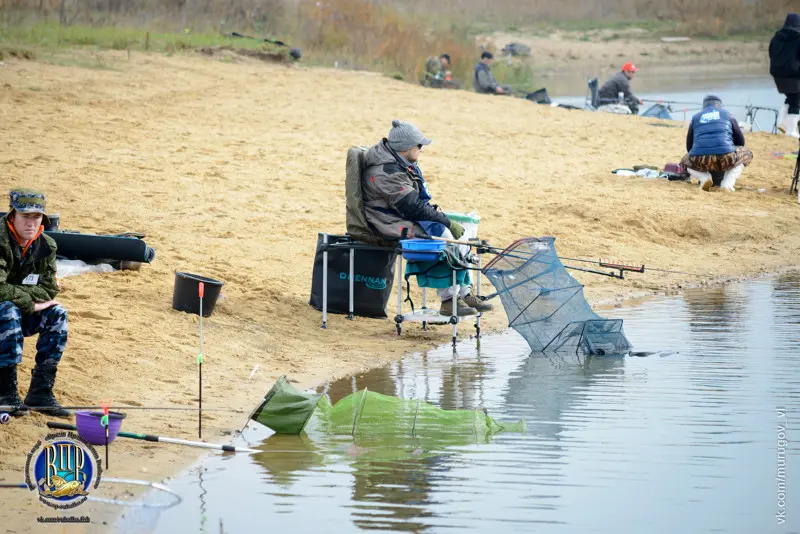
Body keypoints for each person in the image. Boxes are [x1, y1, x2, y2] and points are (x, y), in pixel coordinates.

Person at [361, 120, 493, 316]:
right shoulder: (387, 172)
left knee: (464, 231)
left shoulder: (401, 162)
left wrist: (444, 219)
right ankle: (448, 301)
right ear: (405, 147)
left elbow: (416, 204)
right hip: (388, 222)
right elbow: (413, 208)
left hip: (401, 214)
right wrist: (445, 222)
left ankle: (465, 294)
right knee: (444, 235)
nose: (422, 149)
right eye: (419, 145)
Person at [0, 188, 70, 417]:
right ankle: (6, 393)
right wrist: (30, 304)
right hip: (7, 314)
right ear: (12, 215)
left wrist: (24, 299)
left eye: (37, 217)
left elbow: (49, 289)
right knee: (8, 310)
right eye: (25, 216)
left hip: (15, 311)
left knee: (57, 313)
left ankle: (40, 392)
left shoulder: (46, 245)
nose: (31, 223)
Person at [680, 95, 753, 192]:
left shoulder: (695, 117)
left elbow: (689, 147)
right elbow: (741, 142)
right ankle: (727, 184)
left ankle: (704, 178)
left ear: (704, 105)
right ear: (719, 105)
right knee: (747, 153)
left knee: (684, 161)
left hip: (699, 159)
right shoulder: (727, 114)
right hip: (726, 157)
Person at [769, 13, 800, 138]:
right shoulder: (798, 37)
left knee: (791, 97)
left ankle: (783, 124)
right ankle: (790, 131)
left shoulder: (776, 37)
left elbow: (771, 52)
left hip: (778, 75)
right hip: (794, 75)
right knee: (796, 101)